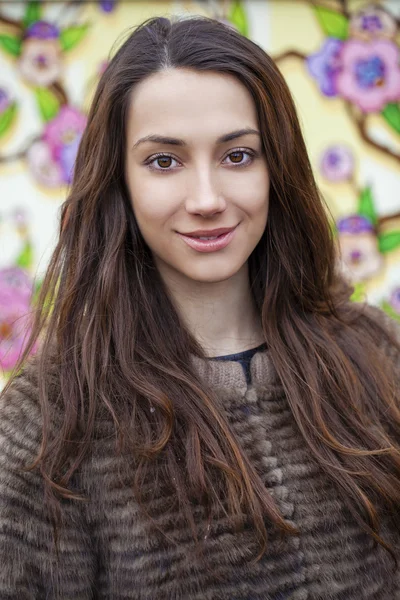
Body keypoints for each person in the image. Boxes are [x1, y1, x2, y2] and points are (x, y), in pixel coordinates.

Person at [0, 15, 399, 599]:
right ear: (120, 183)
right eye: (165, 161)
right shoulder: (52, 425)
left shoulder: (376, 353)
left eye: (238, 156)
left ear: (276, 169)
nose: (207, 199)